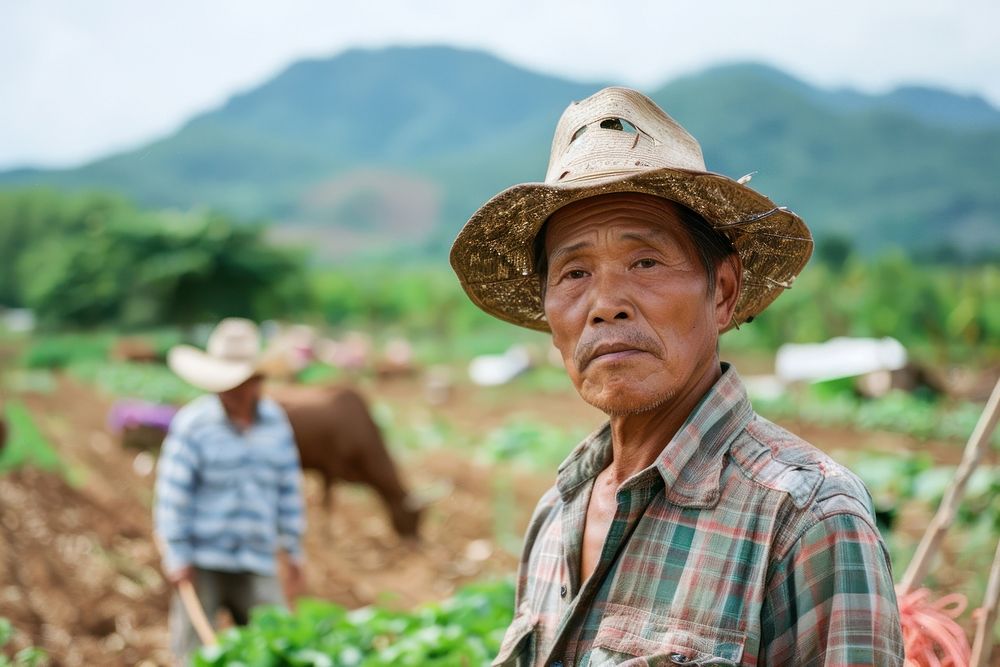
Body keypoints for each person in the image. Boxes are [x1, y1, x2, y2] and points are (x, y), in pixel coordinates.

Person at [450, 88, 904, 665]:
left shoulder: (806, 519)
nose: (605, 304)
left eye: (645, 262)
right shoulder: (557, 513)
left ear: (722, 291)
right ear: (549, 314)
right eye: (573, 272)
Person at [154, 317, 305, 663]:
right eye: (227, 384)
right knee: (192, 652)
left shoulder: (277, 425)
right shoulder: (193, 426)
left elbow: (287, 489)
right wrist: (177, 554)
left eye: (243, 384)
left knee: (277, 644)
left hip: (256, 556)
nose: (235, 391)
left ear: (258, 381)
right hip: (202, 559)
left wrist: (293, 549)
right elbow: (173, 495)